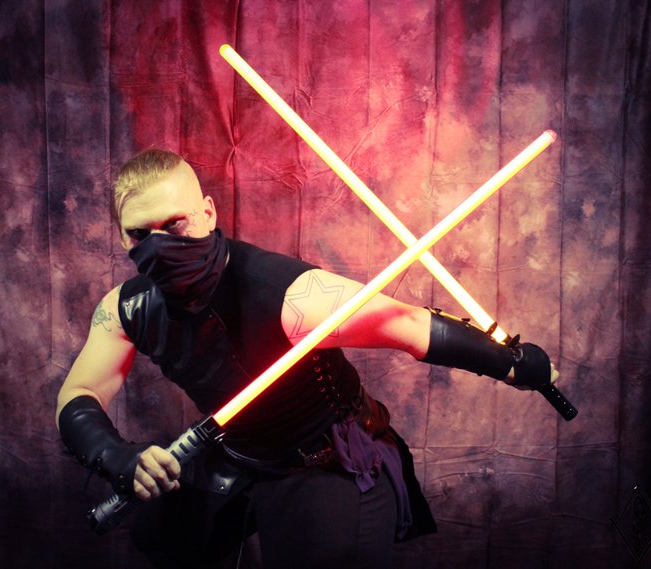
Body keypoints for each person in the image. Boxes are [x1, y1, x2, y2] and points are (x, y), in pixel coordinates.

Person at [56, 149, 557, 569]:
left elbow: (410, 326)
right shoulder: (127, 309)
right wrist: (115, 456)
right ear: (122, 237)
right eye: (141, 235)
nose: (160, 247)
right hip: (236, 449)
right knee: (160, 532)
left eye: (175, 224)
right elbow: (80, 393)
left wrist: (514, 364)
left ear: (207, 213)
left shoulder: (291, 295)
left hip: (325, 460)